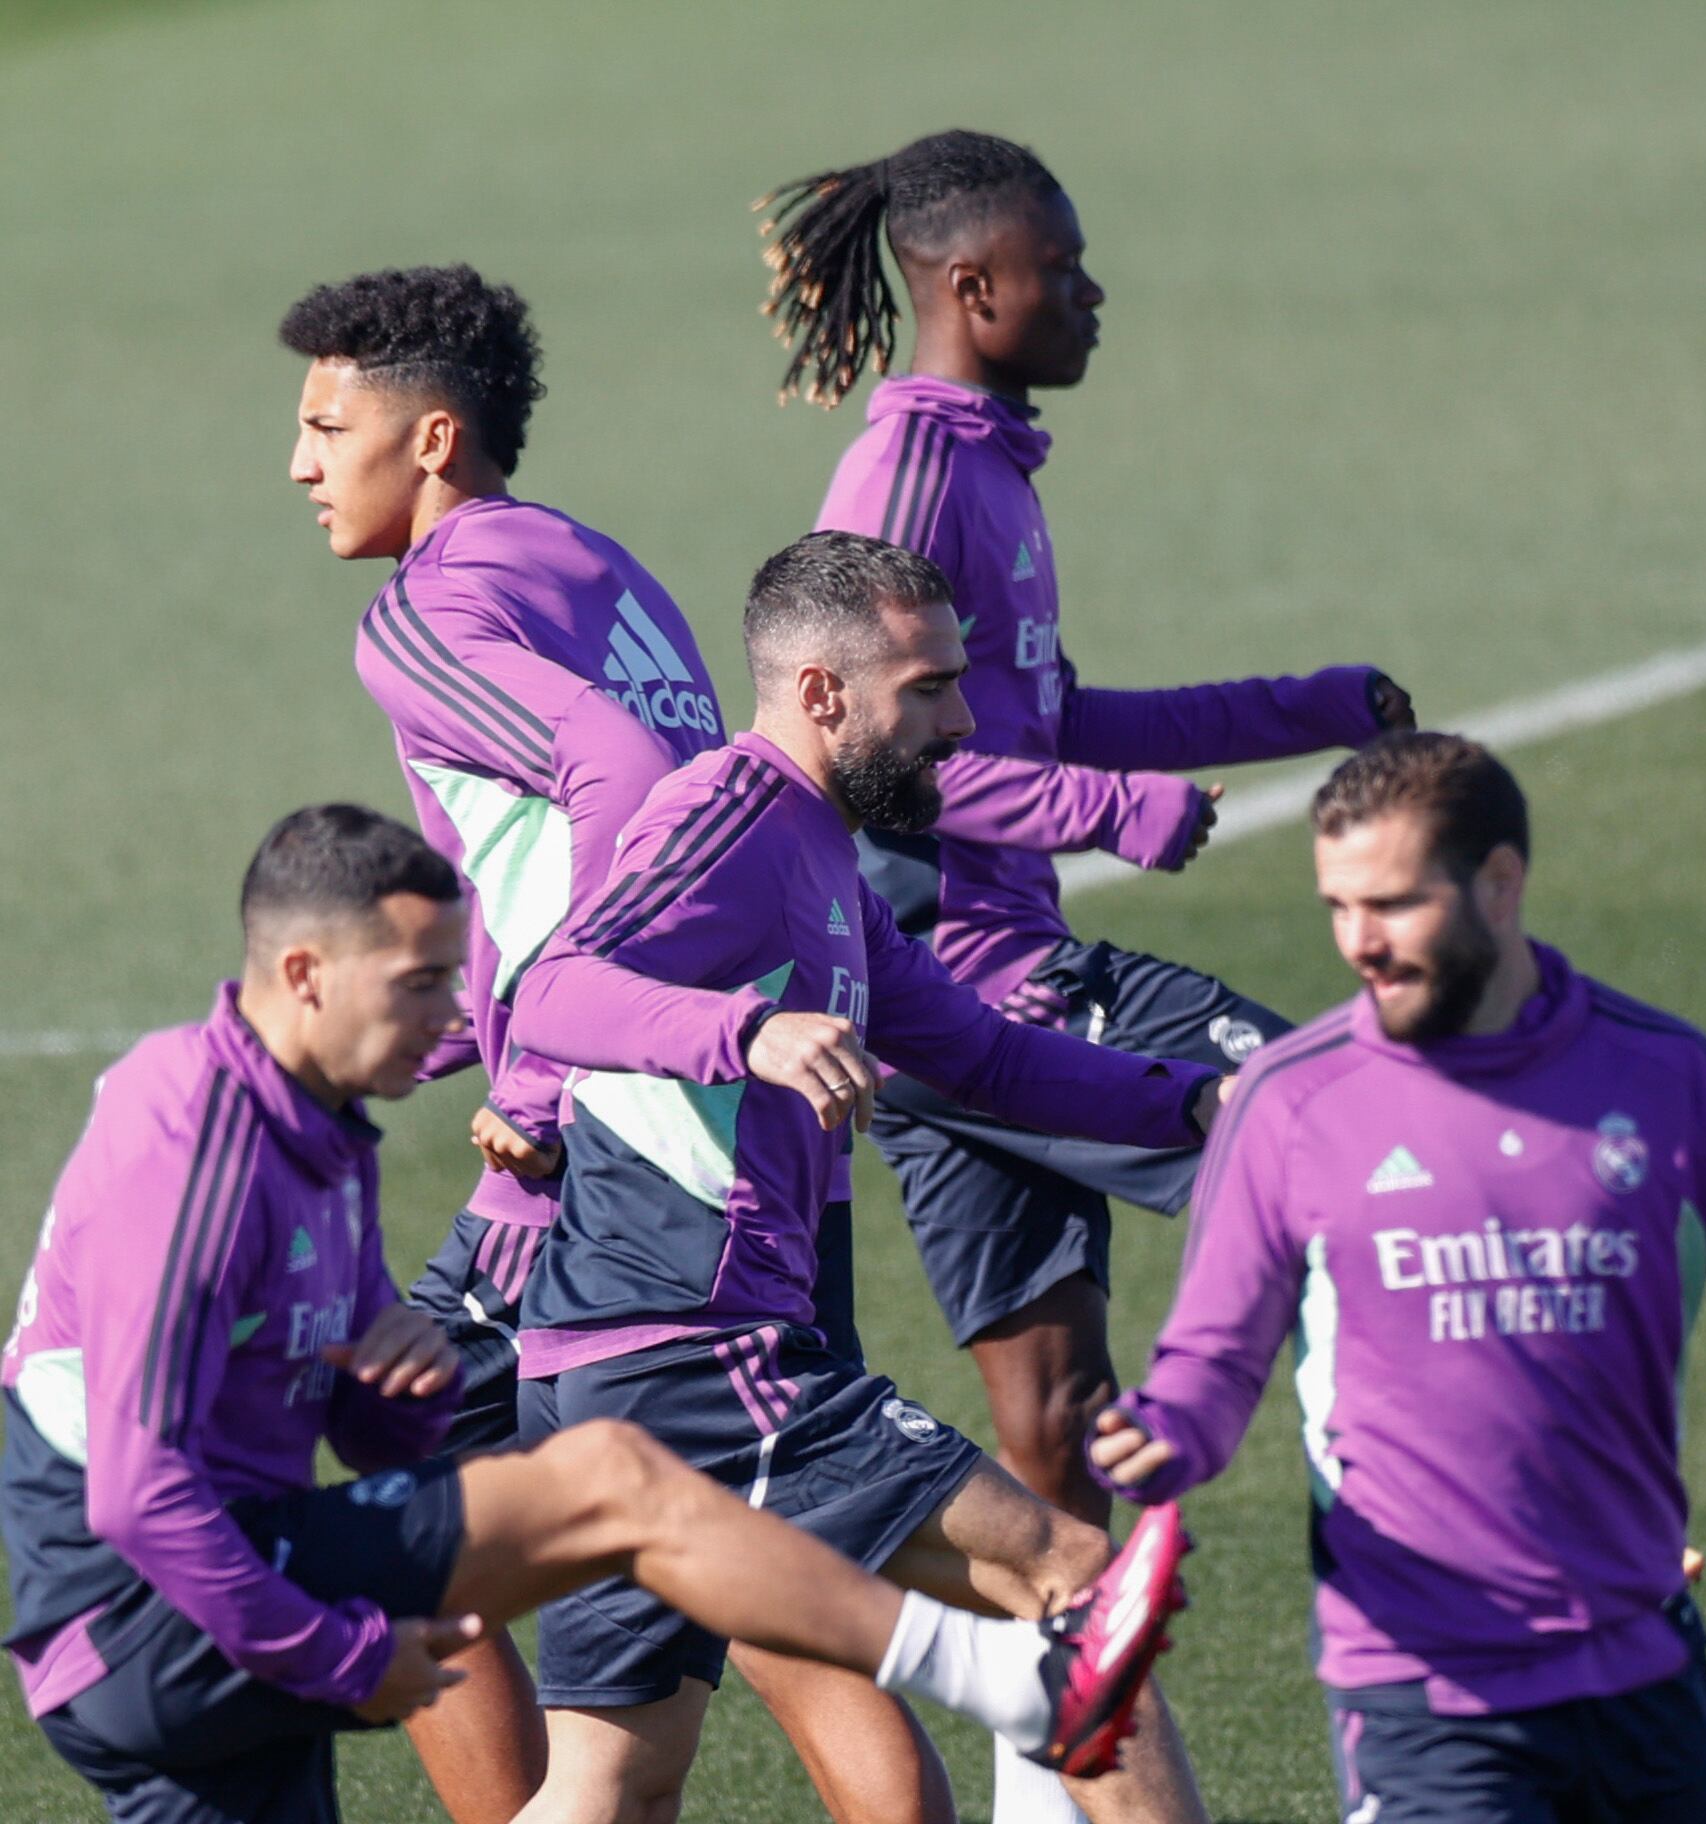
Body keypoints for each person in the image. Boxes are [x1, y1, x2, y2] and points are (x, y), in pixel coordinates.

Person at [0, 805, 1182, 1824]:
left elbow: (367, 1436)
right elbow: (136, 1492)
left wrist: (397, 1402)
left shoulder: (323, 1124)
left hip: (217, 1579)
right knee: (614, 1474)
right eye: (420, 986)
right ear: (305, 974)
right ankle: (1014, 1679)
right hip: (143, 1609)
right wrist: (345, 1657)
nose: (451, 1019)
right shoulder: (194, 1140)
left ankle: (1018, 1678)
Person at [281, 265, 955, 1824]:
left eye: (329, 425)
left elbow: (614, 771)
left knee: (427, 1502)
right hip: (718, 1129)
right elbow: (633, 827)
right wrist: (482, 1018)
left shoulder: (419, 615)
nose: (305, 464)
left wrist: (541, 1065)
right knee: (748, 1554)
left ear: (430, 437)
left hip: (625, 1171)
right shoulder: (603, 567)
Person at [1087, 733, 1706, 1823]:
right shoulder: (1294, 1104)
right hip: (1424, 1692)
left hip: (1644, 1675)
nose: (1360, 946)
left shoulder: (1665, 1078)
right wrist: (1160, 1436)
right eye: (1338, 908)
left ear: (1500, 883)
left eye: (1392, 905)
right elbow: (1213, 1360)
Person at [754, 130, 1411, 1538]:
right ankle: (1434, 1559)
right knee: (1334, 1149)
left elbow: (1048, 719)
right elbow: (869, 759)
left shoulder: (983, 467)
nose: (1094, 294)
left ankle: (1053, 1754)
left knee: (1053, 1421)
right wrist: (1110, 815)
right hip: (971, 980)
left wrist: (1297, 706)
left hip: (936, 1014)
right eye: (1065, 270)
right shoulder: (909, 483)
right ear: (976, 288)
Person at [501, 531, 1215, 1824]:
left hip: (611, 1360)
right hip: (692, 1349)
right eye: (929, 688)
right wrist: (748, 1031)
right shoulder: (726, 818)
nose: (963, 718)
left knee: (612, 1779)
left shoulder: (821, 852)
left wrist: (1205, 1102)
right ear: (824, 692)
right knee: (1074, 1580)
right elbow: (552, 992)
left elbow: (987, 1059)